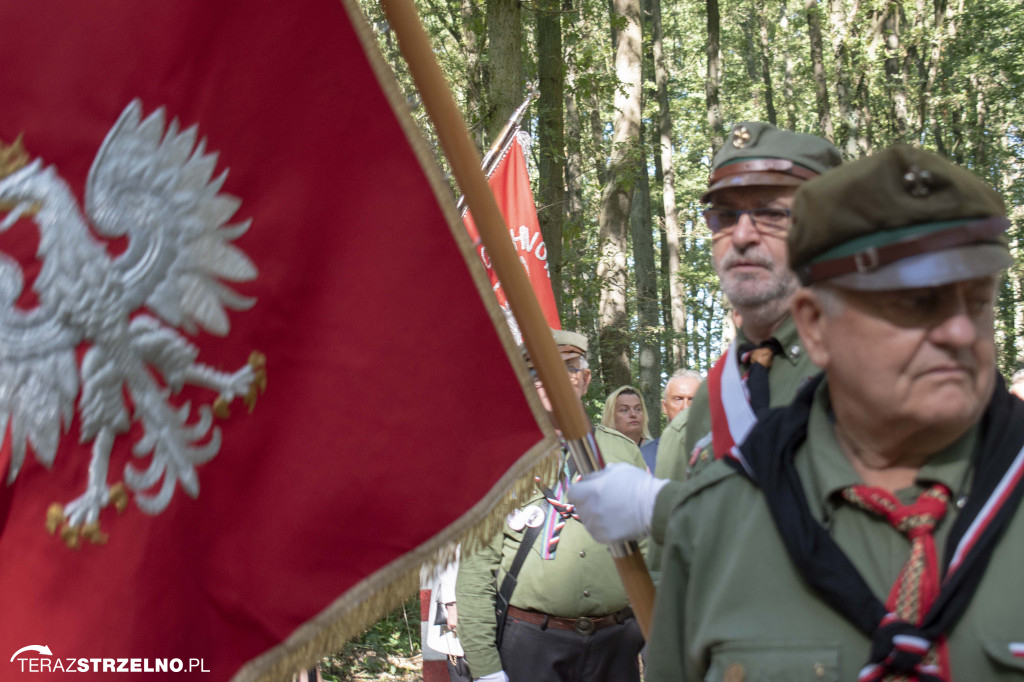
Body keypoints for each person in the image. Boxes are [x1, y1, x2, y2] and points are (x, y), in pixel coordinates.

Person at [574, 145, 1024, 680]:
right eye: (913, 303)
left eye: (977, 301)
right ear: (815, 324)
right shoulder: (718, 511)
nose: (956, 331)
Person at [455, 329, 647, 682]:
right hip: (530, 645)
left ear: (585, 380)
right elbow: (476, 571)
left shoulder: (623, 453)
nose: (552, 380)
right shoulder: (498, 458)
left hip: (617, 645)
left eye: (568, 368)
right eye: (536, 371)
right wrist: (485, 669)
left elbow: (650, 550)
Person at [655, 122, 842, 482]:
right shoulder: (714, 394)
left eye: (772, 214)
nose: (741, 236)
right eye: (725, 216)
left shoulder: (874, 369)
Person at [640, 370, 702, 472]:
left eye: (692, 399)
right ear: (664, 407)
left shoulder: (722, 452)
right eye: (678, 399)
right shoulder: (644, 457)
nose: (685, 407)